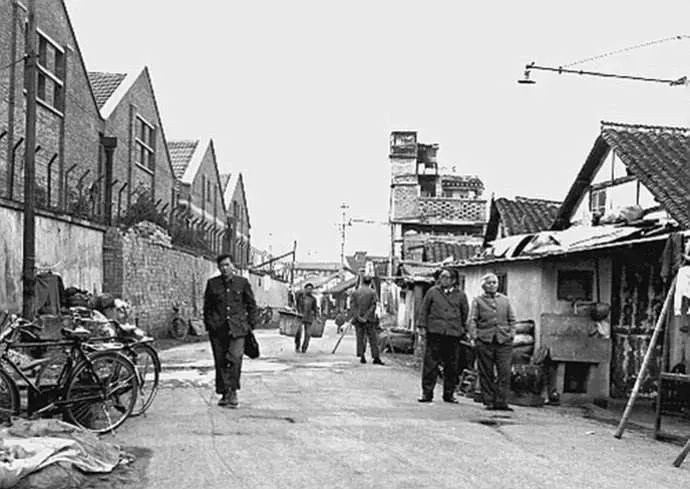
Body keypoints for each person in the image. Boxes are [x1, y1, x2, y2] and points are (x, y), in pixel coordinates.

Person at [203, 254, 257, 408]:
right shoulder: (213, 284)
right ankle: (225, 392)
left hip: (238, 329)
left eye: (227, 265)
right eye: (221, 266)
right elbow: (207, 307)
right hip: (218, 330)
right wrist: (210, 325)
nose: (224, 268)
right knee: (220, 361)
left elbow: (251, 305)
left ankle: (233, 391)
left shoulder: (242, 283)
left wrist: (249, 325)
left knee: (235, 358)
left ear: (233, 265)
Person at [416, 268, 469, 403]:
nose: (442, 280)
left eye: (446, 277)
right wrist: (422, 327)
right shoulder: (433, 292)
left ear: (453, 280)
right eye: (441, 277)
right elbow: (424, 310)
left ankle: (449, 394)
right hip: (435, 332)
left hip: (452, 334)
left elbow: (464, 313)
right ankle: (427, 393)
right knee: (430, 364)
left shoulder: (460, 295)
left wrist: (462, 328)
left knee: (452, 365)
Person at [468, 272, 516, 411]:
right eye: (489, 283)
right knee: (486, 372)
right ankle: (488, 400)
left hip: (503, 341)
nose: (492, 285)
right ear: (483, 286)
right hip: (485, 341)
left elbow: (512, 319)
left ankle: (502, 402)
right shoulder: (478, 300)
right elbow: (472, 320)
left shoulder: (505, 300)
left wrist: (511, 335)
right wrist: (475, 337)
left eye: (494, 282)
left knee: (504, 372)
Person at [349, 275, 384, 365]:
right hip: (370, 319)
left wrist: (358, 317)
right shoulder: (372, 292)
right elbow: (373, 305)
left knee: (360, 338)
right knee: (373, 339)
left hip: (358, 319)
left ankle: (362, 356)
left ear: (362, 281)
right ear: (370, 282)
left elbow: (353, 306)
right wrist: (366, 316)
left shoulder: (355, 292)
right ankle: (376, 357)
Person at [295, 283, 319, 353]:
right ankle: (297, 346)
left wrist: (316, 317)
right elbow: (295, 302)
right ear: (305, 289)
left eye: (311, 289)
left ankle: (304, 348)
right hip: (300, 317)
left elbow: (315, 309)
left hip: (308, 318)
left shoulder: (313, 299)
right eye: (308, 289)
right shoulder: (300, 297)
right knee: (298, 333)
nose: (309, 290)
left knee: (308, 334)